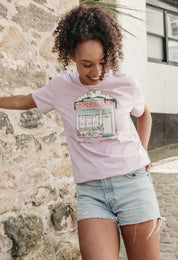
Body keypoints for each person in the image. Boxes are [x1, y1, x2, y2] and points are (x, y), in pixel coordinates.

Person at [0, 4, 162, 260]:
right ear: (72, 56)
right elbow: (25, 101)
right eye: (87, 64)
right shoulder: (61, 87)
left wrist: (143, 151)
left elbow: (144, 114)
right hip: (92, 192)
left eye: (102, 62)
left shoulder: (126, 84)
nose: (96, 72)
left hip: (133, 185)